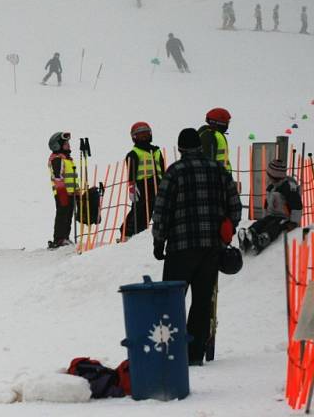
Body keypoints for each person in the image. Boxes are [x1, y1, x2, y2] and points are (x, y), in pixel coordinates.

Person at [151, 128, 242, 366]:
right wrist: (226, 233)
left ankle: (170, 351)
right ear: (200, 147)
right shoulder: (218, 170)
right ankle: (194, 354)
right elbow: (235, 206)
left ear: (180, 148)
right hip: (211, 248)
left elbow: (162, 210)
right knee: (202, 302)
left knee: (171, 301)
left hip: (180, 248)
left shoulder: (174, 172)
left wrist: (159, 240)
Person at [239, 159, 302, 254]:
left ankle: (263, 239)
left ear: (277, 177)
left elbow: (297, 205)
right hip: (272, 214)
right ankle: (249, 235)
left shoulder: (289, 188)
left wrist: (294, 222)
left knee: (275, 226)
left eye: (271, 177)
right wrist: (265, 215)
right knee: (262, 222)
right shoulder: (271, 186)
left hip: (285, 217)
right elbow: (267, 202)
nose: (269, 179)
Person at [121, 122, 165, 240]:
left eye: (146, 133)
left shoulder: (156, 151)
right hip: (142, 185)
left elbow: (162, 168)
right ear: (134, 137)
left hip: (158, 184)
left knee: (155, 210)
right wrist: (132, 187)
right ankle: (127, 232)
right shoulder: (133, 154)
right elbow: (131, 172)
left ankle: (142, 234)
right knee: (140, 210)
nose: (144, 137)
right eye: (141, 135)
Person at [47, 132, 76, 249]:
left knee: (68, 215)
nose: (68, 145)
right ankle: (59, 239)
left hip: (70, 192)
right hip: (62, 192)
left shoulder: (67, 159)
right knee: (62, 215)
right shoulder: (57, 159)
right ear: (57, 146)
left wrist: (77, 190)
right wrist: (62, 193)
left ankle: (65, 237)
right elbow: (58, 177)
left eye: (68, 142)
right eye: (65, 143)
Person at [198, 108, 232, 174]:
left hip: (222, 178)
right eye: (227, 122)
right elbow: (208, 162)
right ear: (220, 123)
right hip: (217, 179)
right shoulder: (209, 136)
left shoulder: (216, 135)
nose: (228, 124)